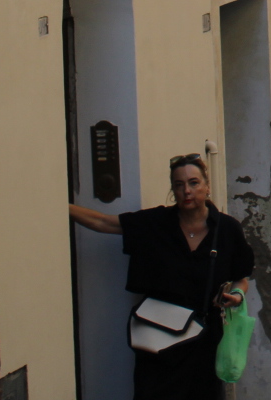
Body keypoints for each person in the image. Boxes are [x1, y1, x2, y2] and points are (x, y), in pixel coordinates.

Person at [71, 153, 255, 399]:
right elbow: (104, 223)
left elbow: (242, 278)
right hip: (159, 338)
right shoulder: (156, 223)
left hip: (204, 340)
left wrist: (236, 295)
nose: (186, 191)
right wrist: (60, 205)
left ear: (206, 186)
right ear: (173, 190)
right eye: (179, 185)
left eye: (193, 183)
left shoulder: (227, 229)